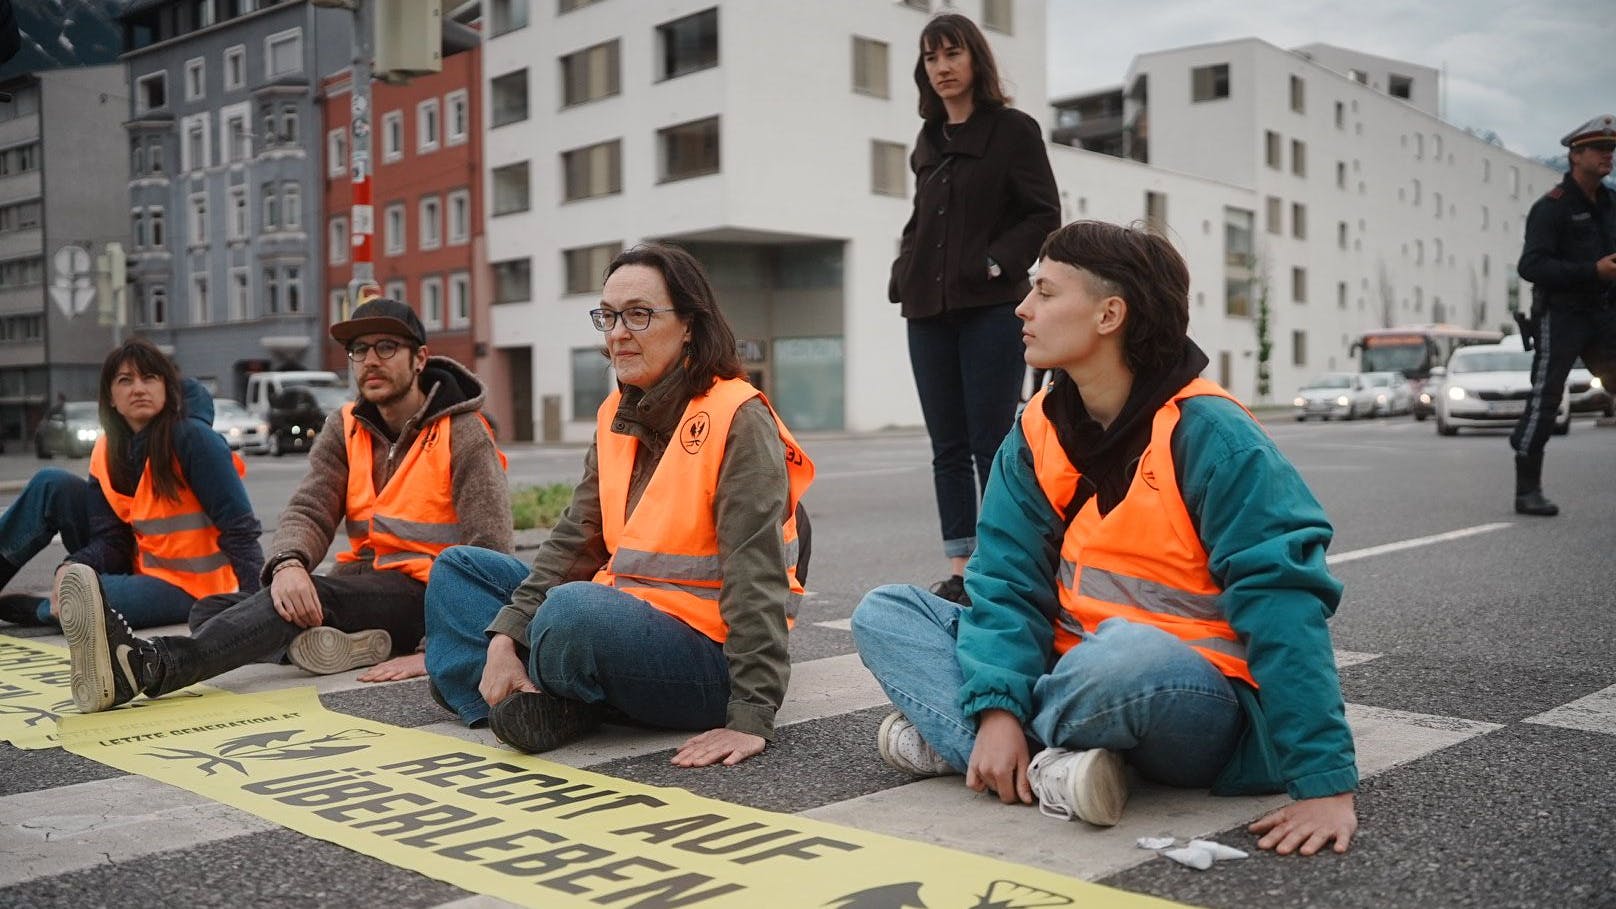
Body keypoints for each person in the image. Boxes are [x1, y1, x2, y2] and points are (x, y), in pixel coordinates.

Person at [853, 221, 1359, 855]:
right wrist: (997, 711)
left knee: (1122, 656)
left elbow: (1283, 604)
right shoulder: (1038, 428)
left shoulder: (1215, 437)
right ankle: (1051, 764)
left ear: (1108, 315)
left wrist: (1324, 785)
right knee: (887, 613)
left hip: (1183, 692)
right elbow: (1005, 582)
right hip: (1066, 665)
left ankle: (971, 743)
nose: (1022, 308)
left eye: (1044, 291)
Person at [424, 243, 814, 768]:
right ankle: (531, 699)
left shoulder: (737, 417)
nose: (617, 333)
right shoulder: (617, 412)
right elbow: (574, 539)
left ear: (691, 326)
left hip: (705, 655)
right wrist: (505, 636)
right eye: (608, 316)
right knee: (457, 571)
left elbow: (756, 575)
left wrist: (750, 715)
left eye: (638, 314)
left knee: (570, 612)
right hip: (622, 616)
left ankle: (525, 693)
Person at [61, 298, 511, 713]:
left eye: (387, 347)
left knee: (297, 602)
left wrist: (440, 648)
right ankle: (330, 641)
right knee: (211, 609)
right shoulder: (345, 427)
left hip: (429, 597)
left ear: (420, 359)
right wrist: (289, 564)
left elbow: (490, 552)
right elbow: (310, 509)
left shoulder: (464, 431)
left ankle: (149, 666)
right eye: (359, 350)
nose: (371, 360)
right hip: (362, 588)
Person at [887, 13, 1059, 606]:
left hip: (989, 308)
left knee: (993, 440)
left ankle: (1008, 561)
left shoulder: (1013, 130)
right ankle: (962, 568)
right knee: (947, 447)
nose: (942, 67)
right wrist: (901, 270)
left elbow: (1043, 214)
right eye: (931, 57)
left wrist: (995, 263)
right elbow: (919, 220)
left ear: (975, 60)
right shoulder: (929, 139)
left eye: (952, 54)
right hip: (927, 309)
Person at [0, 338, 261, 629]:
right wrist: (74, 564)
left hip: (194, 586)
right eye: (125, 380)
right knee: (51, 483)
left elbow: (241, 531)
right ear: (111, 396)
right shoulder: (107, 448)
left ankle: (44, 610)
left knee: (86, 595)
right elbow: (112, 541)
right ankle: (64, 600)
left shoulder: (193, 438)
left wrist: (260, 610)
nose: (138, 389)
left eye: (150, 378)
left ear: (166, 389)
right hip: (138, 567)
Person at [1509, 114, 1616, 516]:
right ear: (1576, 154)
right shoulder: (1551, 208)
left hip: (1605, 314)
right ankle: (1527, 489)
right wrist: (1591, 271)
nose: (1609, 156)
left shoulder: (1611, 204)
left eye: (1612, 150)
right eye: (1600, 149)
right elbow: (1531, 266)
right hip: (1562, 317)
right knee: (1547, 398)